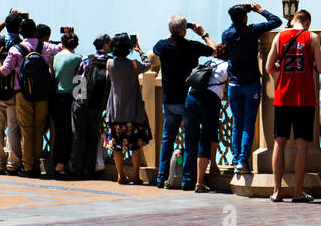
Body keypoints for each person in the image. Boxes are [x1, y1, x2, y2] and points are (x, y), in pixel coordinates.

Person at [264, 9, 321, 202]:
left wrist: (281, 67)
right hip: (305, 98)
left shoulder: (280, 36)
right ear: (307, 22)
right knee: (301, 145)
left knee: (278, 144)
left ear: (294, 21)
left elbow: (268, 67)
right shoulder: (312, 37)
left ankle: (276, 192)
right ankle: (298, 192)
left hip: (282, 97)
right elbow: (320, 68)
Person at [152, 15, 216, 188]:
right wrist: (203, 34)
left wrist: (173, 32)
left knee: (168, 139)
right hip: (188, 99)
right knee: (191, 140)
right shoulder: (191, 46)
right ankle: (188, 180)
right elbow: (214, 50)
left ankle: (161, 178)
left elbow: (155, 49)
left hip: (169, 100)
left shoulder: (163, 46)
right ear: (184, 30)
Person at [0, 17, 63, 178]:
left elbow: (5, 71)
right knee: (39, 129)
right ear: (35, 31)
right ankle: (36, 162)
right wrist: (66, 33)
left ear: (20, 32)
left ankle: (29, 167)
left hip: (22, 94)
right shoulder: (44, 46)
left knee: (26, 131)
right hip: (42, 94)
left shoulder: (16, 49)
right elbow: (61, 48)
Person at [221, 2, 282, 174]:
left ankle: (236, 161)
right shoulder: (252, 30)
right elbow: (276, 21)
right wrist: (260, 10)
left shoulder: (226, 34)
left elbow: (235, 24)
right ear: (246, 17)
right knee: (248, 124)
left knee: (237, 125)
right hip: (251, 84)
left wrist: (242, 11)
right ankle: (242, 162)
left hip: (234, 84)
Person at [104, 33, 152, 185]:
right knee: (135, 145)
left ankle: (120, 175)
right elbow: (148, 65)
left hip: (115, 112)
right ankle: (136, 176)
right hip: (132, 111)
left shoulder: (109, 63)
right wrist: (140, 50)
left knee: (117, 146)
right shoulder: (134, 65)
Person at [183, 43, 229, 193]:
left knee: (190, 138)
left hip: (191, 97)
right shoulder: (227, 65)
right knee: (206, 138)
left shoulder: (208, 62)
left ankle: (187, 179)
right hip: (209, 100)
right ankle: (200, 182)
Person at [0, 10, 24, 174]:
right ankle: (12, 163)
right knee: (13, 127)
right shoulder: (20, 44)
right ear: (20, 28)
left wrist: (5, 20)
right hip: (12, 92)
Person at [70, 35, 111, 179]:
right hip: (97, 105)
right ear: (105, 45)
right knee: (93, 137)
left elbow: (78, 78)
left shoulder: (86, 59)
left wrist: (77, 99)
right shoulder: (110, 61)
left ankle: (76, 169)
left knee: (78, 136)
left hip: (81, 102)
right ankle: (90, 170)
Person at [49, 31, 82, 178]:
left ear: (61, 44)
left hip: (55, 98)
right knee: (68, 133)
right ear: (76, 45)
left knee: (58, 132)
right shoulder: (77, 59)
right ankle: (61, 165)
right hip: (69, 98)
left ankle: (55, 162)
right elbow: (81, 83)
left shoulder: (55, 58)